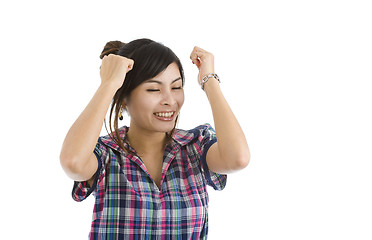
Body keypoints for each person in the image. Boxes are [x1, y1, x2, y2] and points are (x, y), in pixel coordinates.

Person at [60, 38, 250, 239]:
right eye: (153, 89)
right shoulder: (107, 153)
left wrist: (209, 81)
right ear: (123, 97)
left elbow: (237, 158)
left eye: (176, 87)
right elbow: (73, 162)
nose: (169, 100)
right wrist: (109, 85)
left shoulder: (195, 146)